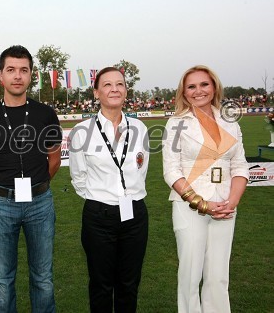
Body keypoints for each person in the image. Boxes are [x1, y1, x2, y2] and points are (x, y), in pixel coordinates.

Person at [0, 45, 62, 313]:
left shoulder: (45, 114)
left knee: (43, 278)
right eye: (11, 70)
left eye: (23, 70)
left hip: (40, 203)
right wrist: (4, 189)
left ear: (31, 75)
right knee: (3, 279)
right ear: (1, 75)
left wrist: (37, 187)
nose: (17, 76)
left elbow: (54, 159)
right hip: (1, 206)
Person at [162, 65, 249, 313]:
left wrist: (231, 202)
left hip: (225, 207)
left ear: (214, 87)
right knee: (190, 275)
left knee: (219, 276)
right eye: (191, 86)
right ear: (184, 92)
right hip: (189, 208)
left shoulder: (229, 121)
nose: (198, 91)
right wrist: (201, 204)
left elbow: (240, 165)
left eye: (204, 84)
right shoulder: (177, 123)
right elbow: (171, 170)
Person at [69, 67, 150, 313]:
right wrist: (102, 199)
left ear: (126, 91)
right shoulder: (82, 131)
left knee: (129, 284)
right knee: (101, 285)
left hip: (134, 215)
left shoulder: (140, 128)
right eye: (107, 85)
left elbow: (141, 170)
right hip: (98, 216)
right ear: (96, 93)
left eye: (120, 84)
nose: (114, 89)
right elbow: (78, 176)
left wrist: (126, 195)